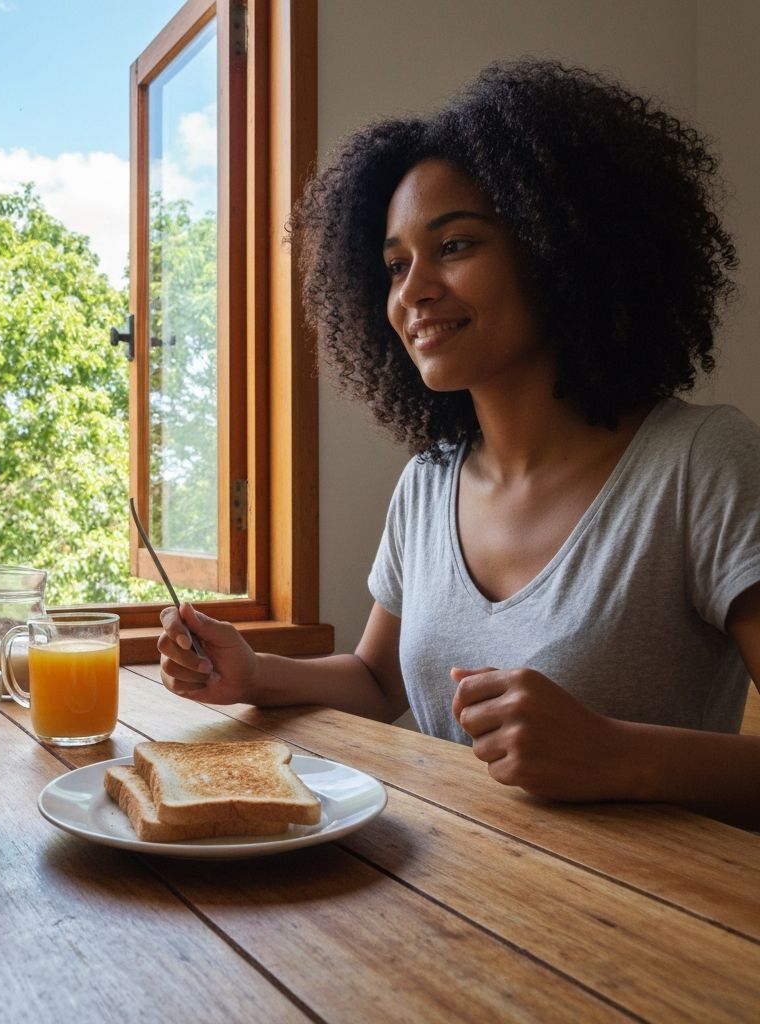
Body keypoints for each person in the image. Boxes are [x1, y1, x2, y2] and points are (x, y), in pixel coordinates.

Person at [157, 58, 760, 828]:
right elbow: (381, 684)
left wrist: (618, 754)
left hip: (641, 931)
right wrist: (254, 672)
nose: (412, 293)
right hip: (453, 903)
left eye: (455, 246)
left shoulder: (702, 464)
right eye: (395, 265)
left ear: (559, 246)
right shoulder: (428, 484)